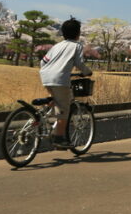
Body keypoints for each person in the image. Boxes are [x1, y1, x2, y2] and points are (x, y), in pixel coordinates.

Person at [39, 17, 93, 149]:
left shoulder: (56, 46)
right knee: (64, 109)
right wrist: (87, 72)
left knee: (56, 101)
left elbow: (43, 62)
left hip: (45, 75)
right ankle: (59, 138)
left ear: (63, 33)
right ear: (78, 33)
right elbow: (79, 63)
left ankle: (43, 122)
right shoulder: (77, 46)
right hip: (60, 79)